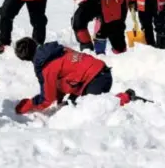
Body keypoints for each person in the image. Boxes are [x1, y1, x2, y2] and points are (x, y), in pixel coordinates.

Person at [13, 37, 142, 114]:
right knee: (70, 106)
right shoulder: (55, 49)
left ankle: (127, 97)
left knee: (89, 109)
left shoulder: (45, 68)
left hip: (96, 80)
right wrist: (60, 98)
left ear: (24, 59)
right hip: (99, 73)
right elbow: (65, 77)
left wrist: (29, 105)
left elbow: (47, 98)